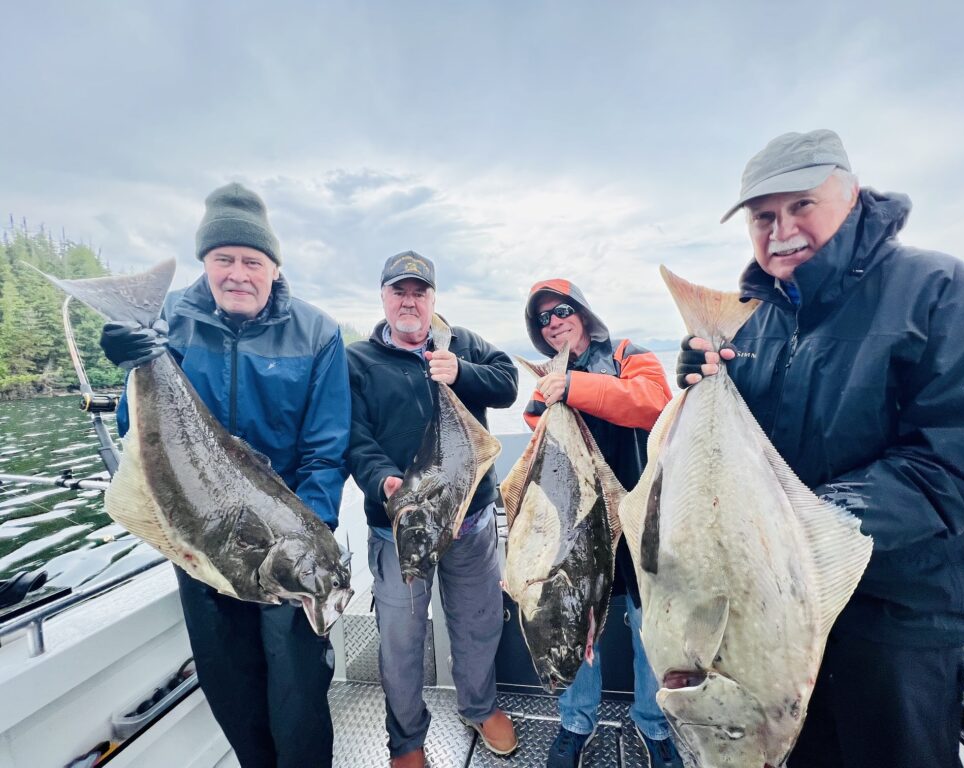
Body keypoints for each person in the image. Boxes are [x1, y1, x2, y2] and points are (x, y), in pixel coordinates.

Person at [677, 129, 964, 768]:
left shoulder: (940, 290)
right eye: (763, 217)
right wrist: (701, 384)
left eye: (801, 205)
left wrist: (816, 522)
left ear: (852, 194)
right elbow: (737, 455)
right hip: (774, 621)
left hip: (895, 628)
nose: (780, 230)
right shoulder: (754, 317)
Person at [100, 183, 351, 768]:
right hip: (200, 548)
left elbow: (325, 452)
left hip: (286, 553)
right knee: (231, 690)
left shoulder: (317, 334)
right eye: (224, 260)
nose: (239, 274)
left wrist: (302, 546)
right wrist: (134, 360)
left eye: (252, 261)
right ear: (205, 263)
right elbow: (135, 433)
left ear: (273, 266)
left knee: (298, 699)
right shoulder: (168, 326)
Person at [346, 251, 519, 768]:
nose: (409, 301)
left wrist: (461, 371)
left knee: (478, 620)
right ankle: (406, 740)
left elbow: (508, 383)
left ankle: (479, 706)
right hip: (400, 527)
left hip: (471, 518)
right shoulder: (358, 361)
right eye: (399, 291)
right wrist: (383, 482)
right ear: (383, 297)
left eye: (419, 292)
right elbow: (353, 439)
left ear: (433, 300)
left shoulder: (462, 342)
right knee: (402, 636)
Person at [521, 280, 682, 768]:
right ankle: (575, 723)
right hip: (577, 523)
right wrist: (553, 397)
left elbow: (654, 401)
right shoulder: (547, 379)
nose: (554, 323)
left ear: (585, 313)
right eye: (543, 319)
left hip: (638, 519)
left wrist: (572, 388)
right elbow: (536, 429)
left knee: (648, 628)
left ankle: (653, 725)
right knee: (575, 623)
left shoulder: (629, 355)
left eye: (562, 310)